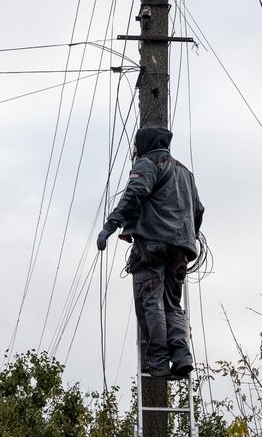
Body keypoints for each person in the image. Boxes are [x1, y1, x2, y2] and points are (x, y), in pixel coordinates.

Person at [97, 126, 204, 378]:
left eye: (136, 145)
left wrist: (110, 226)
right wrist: (187, 238)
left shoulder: (147, 163)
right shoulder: (186, 173)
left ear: (145, 143)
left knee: (150, 300)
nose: (135, 150)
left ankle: (158, 361)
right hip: (181, 248)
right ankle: (181, 356)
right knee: (171, 303)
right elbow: (198, 210)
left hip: (153, 244)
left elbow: (135, 193)